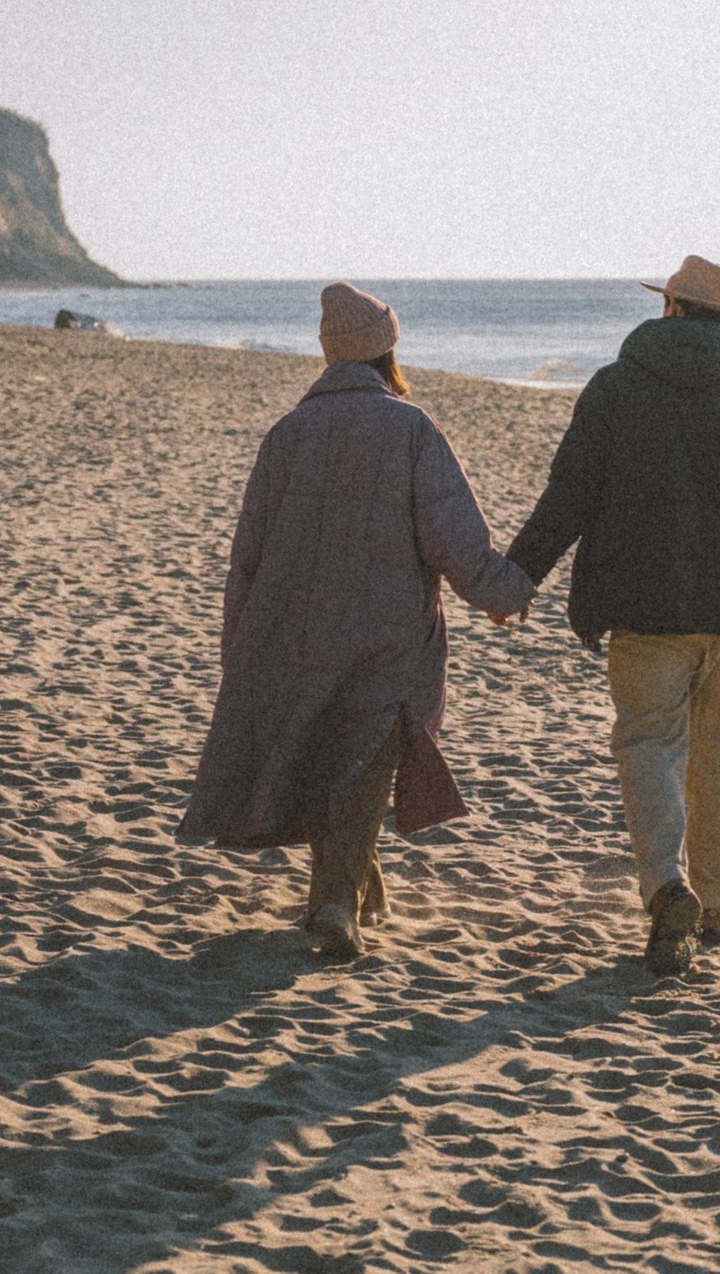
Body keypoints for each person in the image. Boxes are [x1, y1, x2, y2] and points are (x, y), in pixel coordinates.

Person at [181, 283, 532, 961]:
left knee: (319, 751)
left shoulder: (285, 435)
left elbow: (245, 557)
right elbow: (455, 538)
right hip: (386, 635)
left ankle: (353, 888)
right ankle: (336, 902)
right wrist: (502, 591)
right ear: (386, 350)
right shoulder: (411, 429)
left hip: (289, 633)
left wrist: (240, 650)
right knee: (365, 755)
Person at [506, 255, 720, 977]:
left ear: (671, 306)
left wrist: (518, 577)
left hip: (643, 605)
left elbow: (569, 494)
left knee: (649, 744)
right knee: (719, 748)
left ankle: (665, 887)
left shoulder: (616, 387)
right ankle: (712, 901)